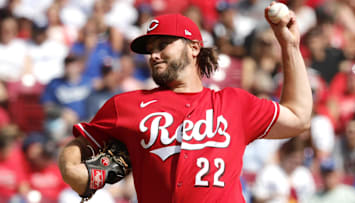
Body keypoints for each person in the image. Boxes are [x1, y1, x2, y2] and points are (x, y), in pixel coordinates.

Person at [58, 3, 313, 202]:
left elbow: (298, 117)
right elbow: (79, 145)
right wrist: (72, 171)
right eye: (151, 50)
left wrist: (289, 46)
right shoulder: (126, 106)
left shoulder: (234, 102)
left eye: (163, 44)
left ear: (193, 48)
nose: (154, 55)